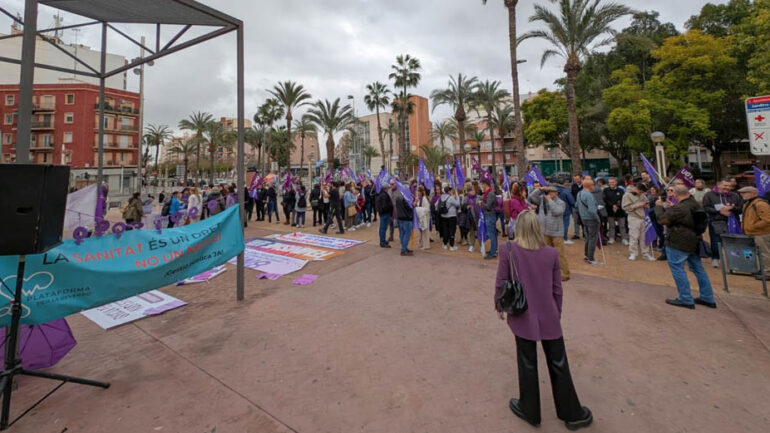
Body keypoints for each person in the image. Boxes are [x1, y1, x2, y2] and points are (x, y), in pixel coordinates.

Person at [495, 210, 592, 430]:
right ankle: (572, 413)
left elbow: (501, 282)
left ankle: (529, 409)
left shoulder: (507, 249)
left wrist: (499, 306)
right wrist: (556, 312)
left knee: (527, 362)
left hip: (522, 313)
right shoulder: (550, 253)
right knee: (559, 363)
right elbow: (557, 288)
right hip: (548, 313)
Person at [654, 185, 716, 309]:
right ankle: (707, 297)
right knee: (698, 269)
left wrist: (658, 207)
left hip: (679, 240)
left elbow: (662, 220)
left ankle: (685, 298)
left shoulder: (680, 208)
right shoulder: (694, 204)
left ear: (676, 194)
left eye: (672, 192)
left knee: (677, 268)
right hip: (694, 239)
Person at [703, 180, 743, 268]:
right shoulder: (709, 195)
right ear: (718, 185)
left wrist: (732, 208)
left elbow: (740, 208)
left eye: (729, 186)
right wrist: (719, 211)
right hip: (716, 221)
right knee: (716, 241)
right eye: (725, 185)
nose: (727, 188)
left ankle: (734, 260)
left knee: (733, 240)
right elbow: (706, 208)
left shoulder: (735, 195)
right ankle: (715, 258)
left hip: (732, 222)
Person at [537, 186, 570, 281]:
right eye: (549, 191)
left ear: (557, 193)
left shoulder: (561, 202)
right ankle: (549, 271)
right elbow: (531, 198)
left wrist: (550, 201)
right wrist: (539, 189)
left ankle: (565, 273)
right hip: (545, 231)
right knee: (547, 253)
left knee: (560, 253)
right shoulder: (543, 199)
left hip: (556, 232)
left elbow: (557, 211)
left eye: (552, 192)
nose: (550, 193)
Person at [739, 186, 770, 277]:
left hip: (762, 233)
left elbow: (767, 219)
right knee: (759, 252)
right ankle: (764, 269)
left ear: (753, 193)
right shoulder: (747, 204)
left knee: (765, 252)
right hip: (754, 233)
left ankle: (767, 272)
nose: (742, 195)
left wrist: (753, 226)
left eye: (745, 193)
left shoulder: (761, 204)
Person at [622, 183, 655, 261]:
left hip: (643, 217)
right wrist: (637, 205)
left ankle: (645, 253)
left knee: (644, 237)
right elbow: (625, 207)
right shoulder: (627, 195)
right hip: (633, 217)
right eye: (640, 192)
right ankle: (633, 253)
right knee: (634, 236)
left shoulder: (642, 195)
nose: (641, 194)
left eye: (642, 193)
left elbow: (647, 203)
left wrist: (646, 205)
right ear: (636, 189)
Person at [576, 179, 600, 264]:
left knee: (588, 237)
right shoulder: (589, 195)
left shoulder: (579, 193)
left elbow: (576, 205)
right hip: (591, 219)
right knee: (593, 238)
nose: (594, 186)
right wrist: (597, 219)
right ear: (590, 186)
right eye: (593, 185)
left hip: (583, 218)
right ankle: (591, 258)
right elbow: (592, 210)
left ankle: (586, 255)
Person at [603, 177, 627, 245]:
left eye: (612, 182)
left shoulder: (620, 190)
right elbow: (605, 199)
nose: (611, 184)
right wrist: (612, 205)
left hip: (620, 211)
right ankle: (611, 238)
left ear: (616, 182)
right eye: (610, 182)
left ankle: (624, 238)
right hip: (610, 210)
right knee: (611, 226)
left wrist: (617, 206)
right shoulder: (605, 190)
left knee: (622, 226)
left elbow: (622, 199)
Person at [439, 186, 461, 251]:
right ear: (449, 191)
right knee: (452, 230)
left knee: (445, 230)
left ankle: (445, 244)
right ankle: (451, 245)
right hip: (451, 216)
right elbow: (457, 204)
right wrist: (457, 196)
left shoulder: (441, 197)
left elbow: (436, 205)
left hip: (443, 216)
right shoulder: (451, 198)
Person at [394, 185, 414, 256]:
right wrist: (414, 203)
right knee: (407, 234)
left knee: (402, 233)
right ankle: (403, 249)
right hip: (406, 218)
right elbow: (409, 207)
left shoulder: (398, 198)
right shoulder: (406, 198)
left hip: (400, 218)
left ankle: (404, 248)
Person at [481, 179, 499, 259]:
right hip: (489, 215)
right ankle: (493, 250)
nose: (482, 186)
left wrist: (481, 203)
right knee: (493, 234)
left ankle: (493, 252)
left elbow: (488, 206)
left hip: (490, 216)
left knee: (492, 234)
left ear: (485, 185)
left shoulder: (490, 194)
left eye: (482, 185)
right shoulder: (489, 193)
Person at [556, 180, 576, 245]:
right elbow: (572, 201)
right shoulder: (566, 191)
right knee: (565, 224)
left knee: (557, 224)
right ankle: (564, 238)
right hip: (566, 209)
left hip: (556, 209)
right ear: (564, 183)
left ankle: (558, 237)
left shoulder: (553, 191)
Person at [376, 182, 394, 248]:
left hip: (382, 213)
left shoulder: (380, 194)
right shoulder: (384, 195)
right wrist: (391, 206)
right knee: (383, 228)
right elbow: (385, 205)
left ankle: (382, 241)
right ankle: (382, 242)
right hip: (385, 213)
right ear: (385, 188)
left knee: (382, 228)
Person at [570, 175, 583, 240]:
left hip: (583, 206)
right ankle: (576, 234)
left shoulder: (584, 186)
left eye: (577, 179)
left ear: (581, 178)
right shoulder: (573, 186)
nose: (576, 180)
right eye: (575, 179)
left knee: (584, 220)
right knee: (576, 221)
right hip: (575, 206)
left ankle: (585, 234)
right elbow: (571, 195)